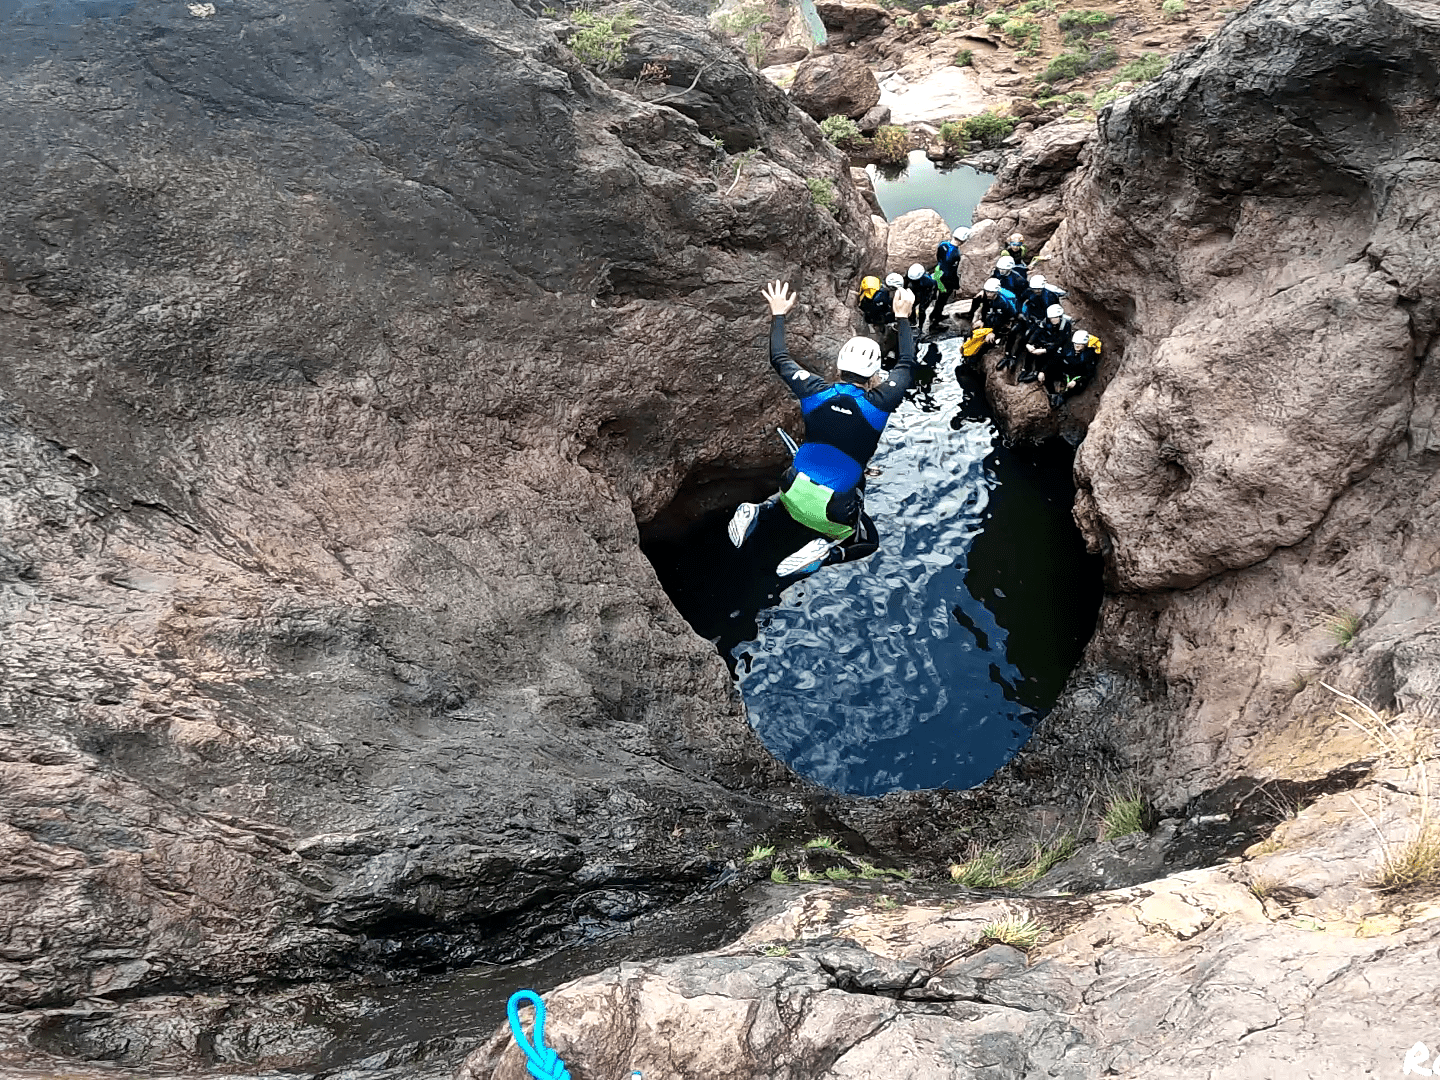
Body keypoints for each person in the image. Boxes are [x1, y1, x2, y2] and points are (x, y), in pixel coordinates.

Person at [728, 280, 921, 578]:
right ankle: (826, 550)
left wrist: (778, 314)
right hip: (835, 507)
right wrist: (903, 317)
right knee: (868, 540)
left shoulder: (814, 390)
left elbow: (779, 357)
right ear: (874, 374)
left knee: (799, 486)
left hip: (791, 485)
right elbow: (907, 363)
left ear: (839, 365)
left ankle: (756, 510)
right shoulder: (880, 403)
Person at [961, 277, 1019, 363]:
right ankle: (966, 351)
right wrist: (982, 321)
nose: (988, 294)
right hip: (994, 317)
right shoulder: (986, 296)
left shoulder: (1002, 303)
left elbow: (1002, 320)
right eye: (987, 291)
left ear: (996, 292)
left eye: (990, 292)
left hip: (1006, 322)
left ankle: (975, 359)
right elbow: (985, 308)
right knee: (972, 332)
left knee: (986, 342)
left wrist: (994, 333)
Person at [1041, 328, 1102, 407]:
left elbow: (1089, 373)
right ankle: (1053, 394)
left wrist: (1076, 382)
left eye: (1080, 344)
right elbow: (1055, 359)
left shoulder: (1088, 355)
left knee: (1077, 387)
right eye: (1075, 343)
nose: (1077, 346)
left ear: (1085, 344)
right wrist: (1043, 371)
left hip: (1077, 376)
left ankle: (1064, 395)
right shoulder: (1068, 348)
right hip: (1065, 371)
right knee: (1048, 375)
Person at [1017, 303, 1073, 383]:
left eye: (1055, 318)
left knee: (1055, 354)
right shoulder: (1046, 321)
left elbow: (1060, 342)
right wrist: (1029, 343)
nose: (1053, 320)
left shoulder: (1065, 325)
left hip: (1060, 346)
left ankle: (1040, 371)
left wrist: (1045, 350)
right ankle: (1026, 369)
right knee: (1032, 348)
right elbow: (1037, 332)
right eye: (1051, 318)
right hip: (1049, 341)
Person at [928, 226, 971, 330]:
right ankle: (935, 322)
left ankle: (934, 314)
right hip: (946, 279)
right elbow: (951, 271)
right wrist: (956, 283)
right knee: (943, 299)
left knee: (939, 298)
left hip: (938, 272)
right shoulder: (955, 253)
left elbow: (939, 258)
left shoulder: (943, 244)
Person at [905, 262, 938, 335]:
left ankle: (920, 327)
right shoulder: (909, 276)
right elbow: (905, 284)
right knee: (910, 305)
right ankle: (912, 322)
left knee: (922, 309)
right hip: (915, 290)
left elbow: (933, 288)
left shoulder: (929, 280)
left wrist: (932, 297)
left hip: (926, 293)